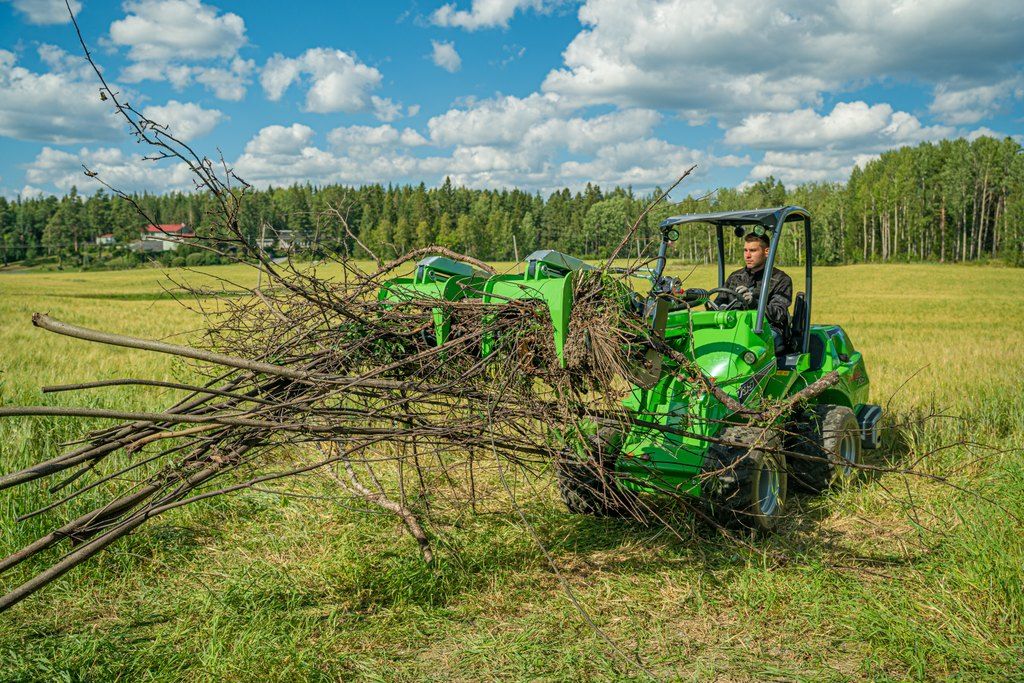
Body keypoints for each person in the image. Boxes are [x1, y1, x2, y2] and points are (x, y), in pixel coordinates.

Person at [715, 232, 792, 352]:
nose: (747, 255)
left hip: (767, 329)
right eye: (745, 250)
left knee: (748, 342)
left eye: (753, 250)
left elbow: (778, 314)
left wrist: (754, 303)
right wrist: (713, 306)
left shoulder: (781, 279)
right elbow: (719, 302)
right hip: (734, 327)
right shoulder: (735, 277)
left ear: (767, 252)